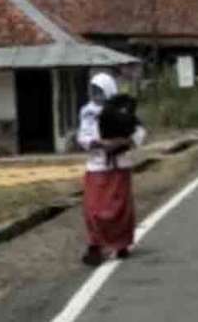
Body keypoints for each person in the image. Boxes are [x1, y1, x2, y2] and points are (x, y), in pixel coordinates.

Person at [77, 72, 146, 266]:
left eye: (99, 91)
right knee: (93, 209)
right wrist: (97, 143)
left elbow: (139, 132)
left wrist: (124, 142)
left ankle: (121, 244)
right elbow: (83, 136)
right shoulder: (87, 112)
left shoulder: (122, 110)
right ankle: (95, 245)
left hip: (119, 165)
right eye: (93, 91)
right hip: (97, 166)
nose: (95, 95)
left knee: (119, 209)